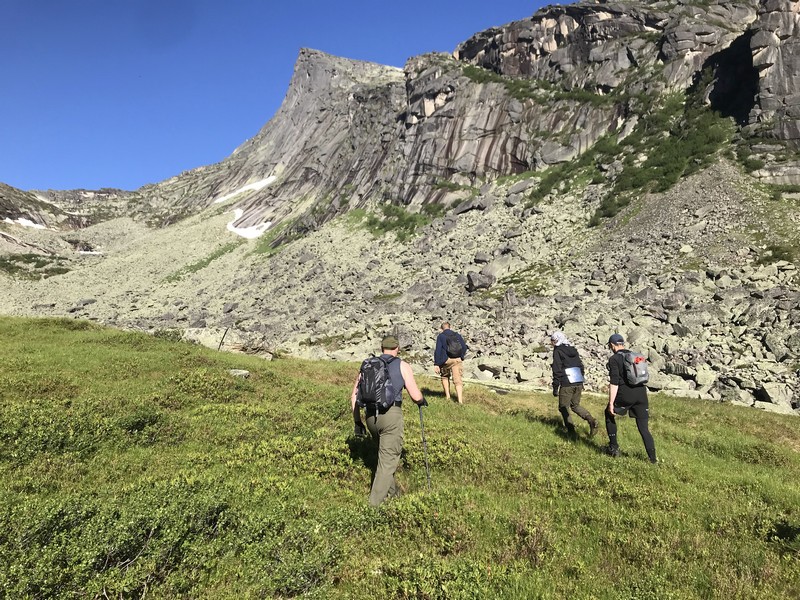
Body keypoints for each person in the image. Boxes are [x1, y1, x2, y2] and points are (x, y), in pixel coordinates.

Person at [351, 335, 427, 506]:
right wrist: (422, 400)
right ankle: (373, 507)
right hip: (391, 416)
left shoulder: (368, 364)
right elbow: (415, 395)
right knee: (387, 462)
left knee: (384, 457)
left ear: (382, 348)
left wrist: (358, 421)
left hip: (371, 418)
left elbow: (354, 396)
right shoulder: (402, 365)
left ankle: (393, 495)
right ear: (397, 349)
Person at [605, 333, 657, 463]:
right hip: (641, 394)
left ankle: (613, 448)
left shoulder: (614, 359)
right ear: (622, 344)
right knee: (644, 428)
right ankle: (653, 460)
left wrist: (611, 403)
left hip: (625, 395)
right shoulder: (634, 355)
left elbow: (614, 382)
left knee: (608, 414)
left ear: (612, 345)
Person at [550, 331, 597, 437]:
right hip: (578, 380)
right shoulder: (573, 349)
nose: (551, 343)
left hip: (567, 382)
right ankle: (591, 420)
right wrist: (581, 378)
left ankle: (571, 432)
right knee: (575, 405)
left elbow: (557, 369)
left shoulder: (558, 351)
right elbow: (581, 365)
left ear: (557, 340)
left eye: (552, 340)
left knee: (563, 407)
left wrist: (555, 386)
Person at [433, 322, 468, 404]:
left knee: (445, 377)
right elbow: (464, 347)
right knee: (458, 380)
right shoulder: (457, 335)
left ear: (441, 329)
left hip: (446, 361)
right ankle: (460, 401)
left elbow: (438, 350)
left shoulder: (441, 336)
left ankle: (448, 397)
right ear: (450, 327)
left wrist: (437, 363)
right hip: (457, 360)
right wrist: (461, 356)